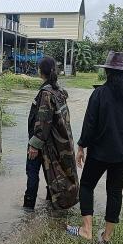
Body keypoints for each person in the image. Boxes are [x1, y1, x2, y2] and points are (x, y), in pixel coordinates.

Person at [66, 51, 123, 244]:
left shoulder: (99, 94)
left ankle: (86, 229)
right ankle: (107, 237)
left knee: (86, 185)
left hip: (100, 152)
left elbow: (89, 124)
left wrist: (81, 147)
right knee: (115, 191)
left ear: (108, 72)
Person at [23, 57, 79, 211]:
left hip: (42, 143)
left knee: (33, 173)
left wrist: (34, 145)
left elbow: (43, 120)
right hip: (56, 143)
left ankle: (28, 208)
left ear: (41, 71)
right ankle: (51, 205)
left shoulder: (46, 93)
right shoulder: (59, 91)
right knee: (53, 174)